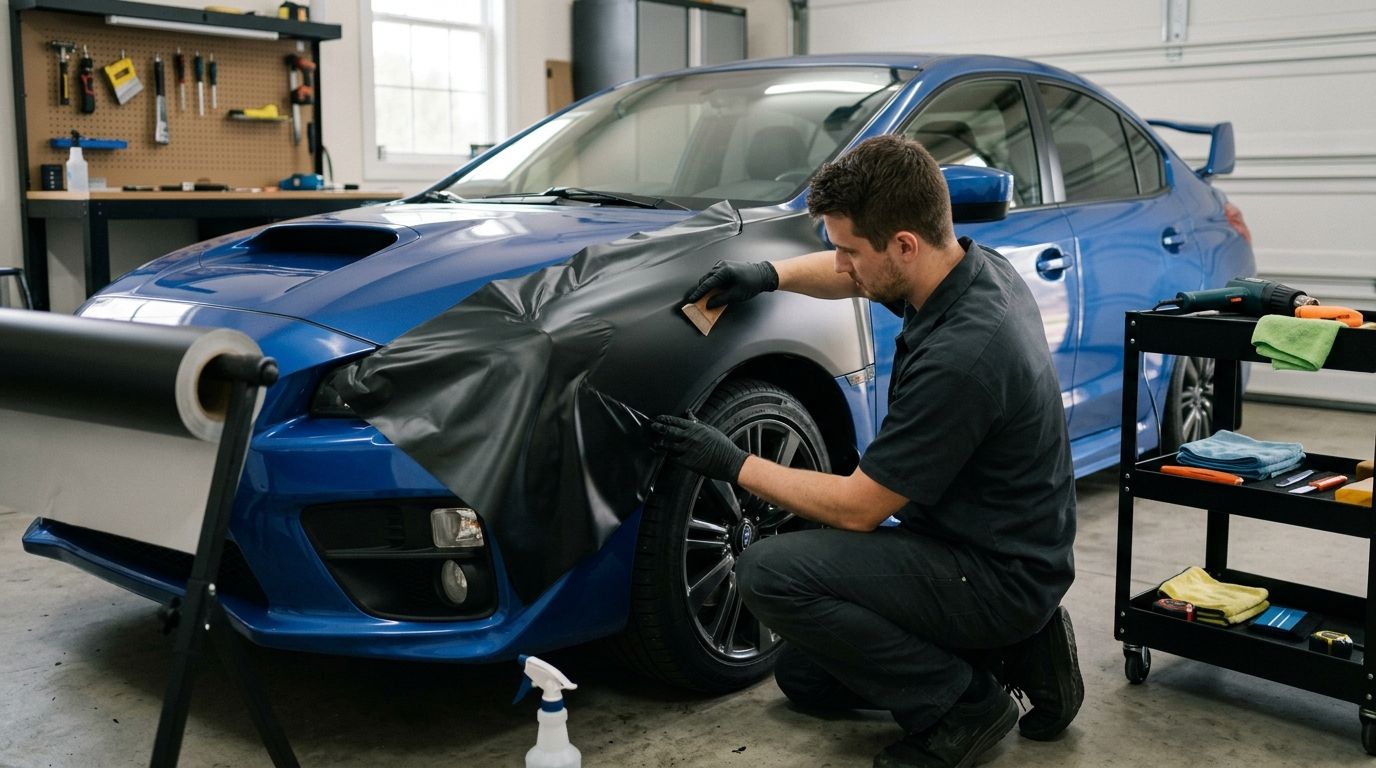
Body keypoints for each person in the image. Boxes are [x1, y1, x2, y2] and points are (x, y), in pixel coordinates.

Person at [649, 135, 1082, 768]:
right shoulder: (967, 266)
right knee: (807, 680)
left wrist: (731, 461)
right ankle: (1021, 647)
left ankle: (963, 704)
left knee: (767, 573)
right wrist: (768, 276)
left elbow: (859, 509)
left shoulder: (965, 356)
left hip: (995, 572)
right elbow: (855, 275)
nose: (842, 264)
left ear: (903, 243)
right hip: (990, 543)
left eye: (848, 249)